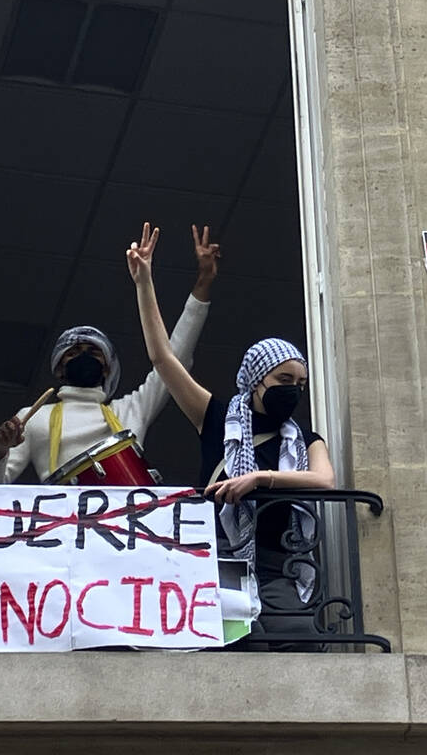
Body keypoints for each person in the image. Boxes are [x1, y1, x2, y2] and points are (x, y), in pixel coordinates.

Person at [126, 224, 336, 648]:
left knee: (299, 651)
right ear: (257, 381)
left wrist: (259, 479)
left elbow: (323, 481)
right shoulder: (217, 417)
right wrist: (144, 281)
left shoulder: (306, 437)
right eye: (283, 378)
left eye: (300, 383)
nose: (293, 389)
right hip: (217, 566)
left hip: (282, 570)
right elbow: (162, 359)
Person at [0, 224, 221, 484]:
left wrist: (203, 284)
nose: (84, 356)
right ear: (59, 368)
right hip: (67, 523)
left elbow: (174, 361)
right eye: (74, 352)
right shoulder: (35, 419)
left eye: (93, 352)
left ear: (106, 368)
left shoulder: (130, 410)